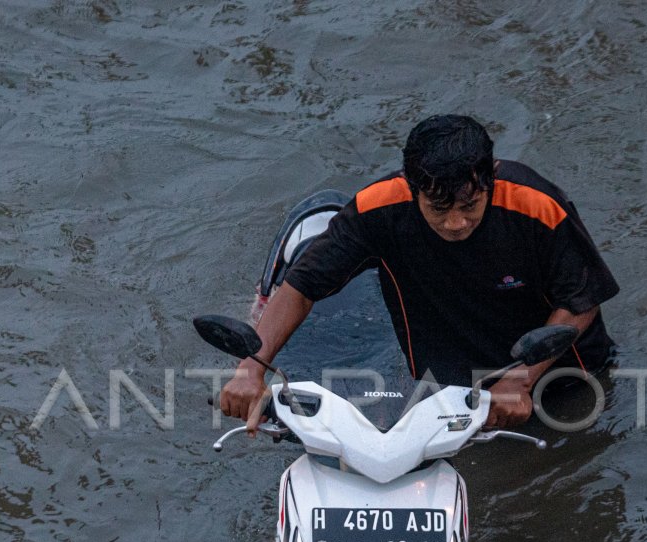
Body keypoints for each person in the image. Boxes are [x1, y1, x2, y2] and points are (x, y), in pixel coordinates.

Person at [220, 114, 619, 430]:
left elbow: (582, 300)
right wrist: (252, 368)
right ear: (412, 188)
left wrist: (522, 379)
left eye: (470, 206)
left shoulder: (538, 208)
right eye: (439, 209)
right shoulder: (377, 211)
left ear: (491, 180)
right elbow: (301, 286)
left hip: (562, 380)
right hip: (450, 389)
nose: (456, 223)